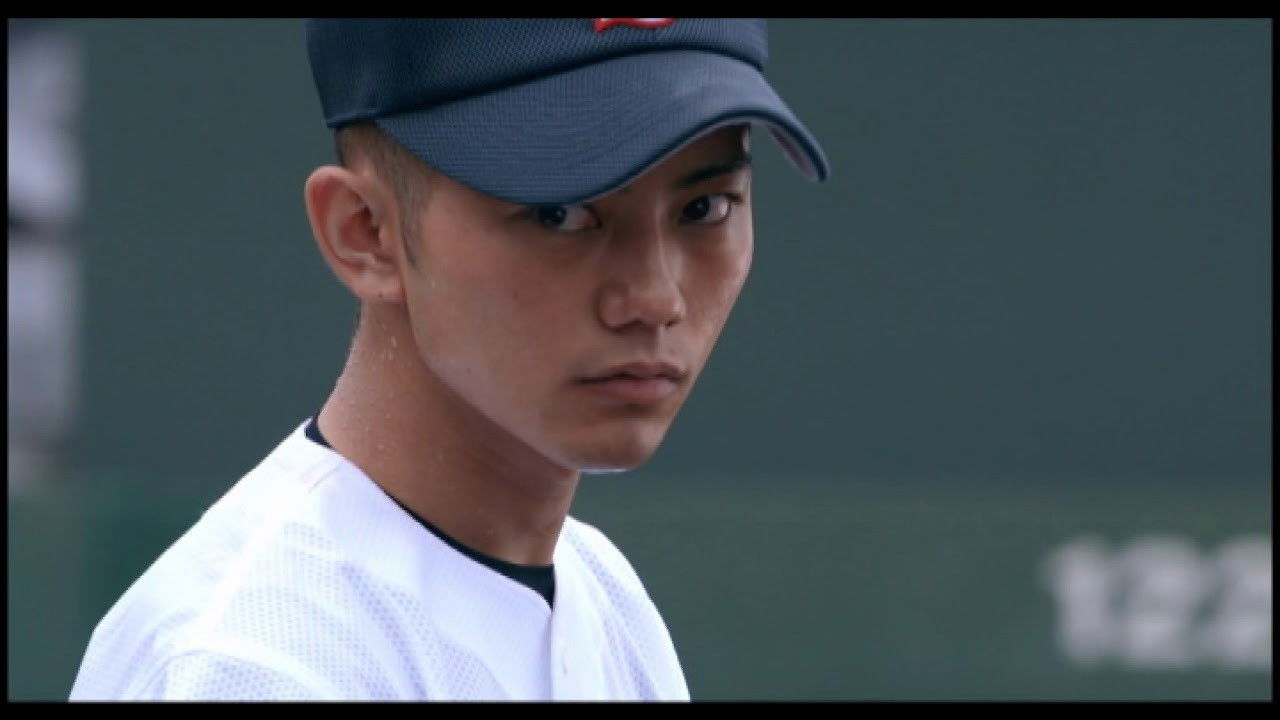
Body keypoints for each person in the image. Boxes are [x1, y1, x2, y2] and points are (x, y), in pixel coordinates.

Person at [69, 18, 828, 701]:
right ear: (366, 231)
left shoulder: (606, 599)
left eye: (704, 209)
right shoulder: (253, 662)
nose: (655, 296)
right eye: (561, 213)